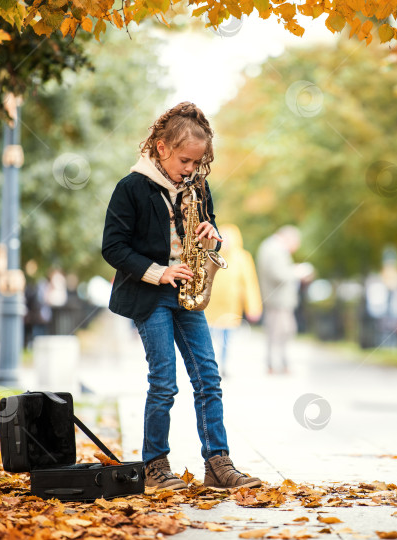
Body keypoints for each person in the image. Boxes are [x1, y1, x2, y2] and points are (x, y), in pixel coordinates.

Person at [102, 102, 261, 491]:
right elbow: (113, 247)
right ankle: (155, 466)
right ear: (161, 148)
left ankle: (218, 464)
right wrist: (159, 272)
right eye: (185, 160)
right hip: (150, 294)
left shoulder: (198, 187)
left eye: (197, 162)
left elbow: (210, 230)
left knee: (209, 377)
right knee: (164, 381)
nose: (190, 169)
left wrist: (212, 233)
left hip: (188, 295)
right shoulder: (131, 188)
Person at [204, 224, 262, 377]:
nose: (225, 241)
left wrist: (253, 307)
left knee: (225, 341)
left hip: (230, 308)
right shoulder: (210, 254)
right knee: (206, 339)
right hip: (209, 307)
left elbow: (250, 284)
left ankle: (223, 366)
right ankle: (207, 366)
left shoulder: (243, 257)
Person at [256, 225, 313, 374]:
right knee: (280, 333)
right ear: (289, 239)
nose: (293, 249)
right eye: (294, 245)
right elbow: (279, 274)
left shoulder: (271, 247)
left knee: (281, 332)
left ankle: (277, 364)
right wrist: (297, 271)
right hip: (278, 301)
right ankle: (276, 364)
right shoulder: (274, 249)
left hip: (278, 300)